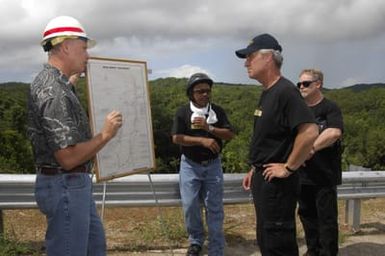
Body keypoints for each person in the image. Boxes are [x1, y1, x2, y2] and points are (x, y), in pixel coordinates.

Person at [27, 16, 123, 256]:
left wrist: (72, 81)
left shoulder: (55, 84)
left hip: (69, 185)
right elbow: (68, 158)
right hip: (66, 185)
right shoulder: (54, 91)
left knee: (94, 247)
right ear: (66, 46)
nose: (87, 56)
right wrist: (106, 134)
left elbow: (59, 96)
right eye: (84, 49)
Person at [235, 33, 319, 255]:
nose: (246, 63)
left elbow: (309, 131)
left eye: (250, 57)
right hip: (265, 178)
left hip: (278, 185)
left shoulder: (286, 91)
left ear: (268, 58)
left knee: (278, 243)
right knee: (267, 238)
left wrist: (288, 167)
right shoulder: (268, 92)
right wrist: (256, 167)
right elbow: (272, 137)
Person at [171, 73, 235, 256]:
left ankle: (216, 247)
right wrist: (202, 141)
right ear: (191, 93)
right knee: (190, 205)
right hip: (190, 165)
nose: (205, 94)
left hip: (213, 165)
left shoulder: (217, 111)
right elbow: (176, 138)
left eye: (208, 91)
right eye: (200, 91)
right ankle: (196, 241)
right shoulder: (183, 112)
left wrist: (209, 128)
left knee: (214, 207)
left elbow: (230, 134)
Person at [297, 69, 344, 256]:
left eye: (306, 83)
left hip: (325, 175)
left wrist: (311, 148)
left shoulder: (330, 108)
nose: (301, 87)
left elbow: (334, 132)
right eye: (299, 84)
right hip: (302, 175)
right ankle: (312, 250)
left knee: (326, 219)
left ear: (318, 84)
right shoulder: (298, 109)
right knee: (307, 216)